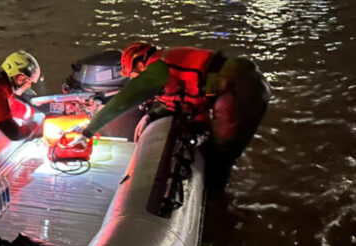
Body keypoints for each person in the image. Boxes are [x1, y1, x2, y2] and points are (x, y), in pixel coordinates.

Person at [75, 41, 270, 191]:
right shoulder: (169, 59)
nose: (134, 80)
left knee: (221, 156)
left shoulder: (157, 69)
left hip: (238, 88)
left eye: (133, 75)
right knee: (217, 150)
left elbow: (123, 101)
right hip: (247, 81)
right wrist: (152, 117)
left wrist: (87, 133)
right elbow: (187, 99)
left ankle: (216, 206)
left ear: (138, 66)